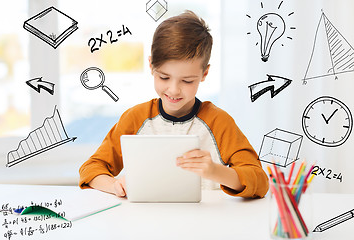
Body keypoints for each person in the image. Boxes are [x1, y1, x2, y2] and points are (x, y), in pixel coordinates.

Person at [79, 10, 268, 198]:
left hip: (207, 222)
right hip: (147, 221)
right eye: (164, 77)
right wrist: (114, 185)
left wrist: (215, 172)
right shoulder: (135, 118)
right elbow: (91, 169)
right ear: (151, 66)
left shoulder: (219, 122)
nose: (174, 90)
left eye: (187, 81)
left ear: (204, 74)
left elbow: (260, 181)